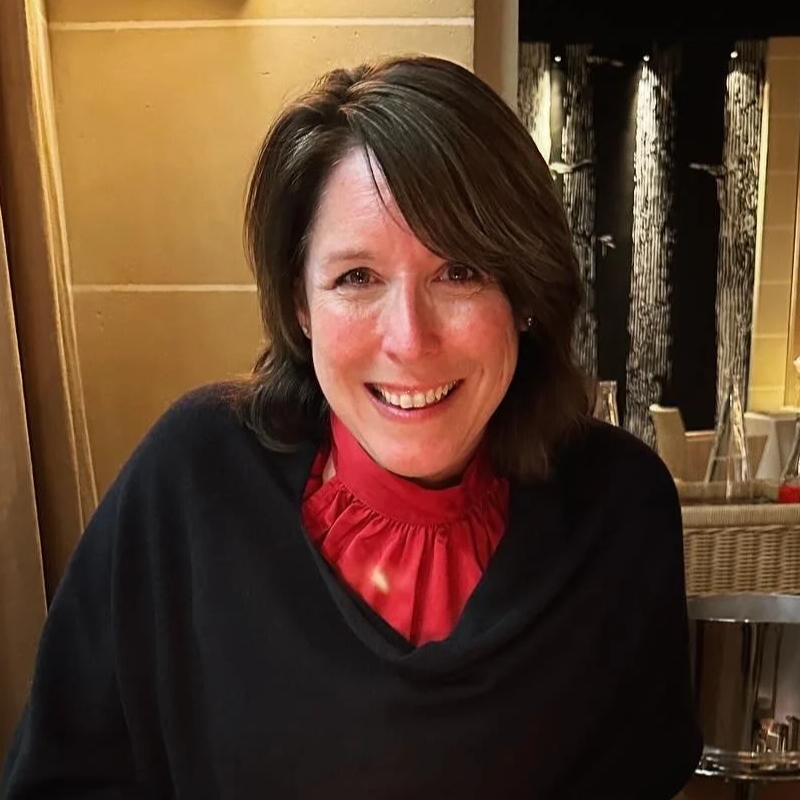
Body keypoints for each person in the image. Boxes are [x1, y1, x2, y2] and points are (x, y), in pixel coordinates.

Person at [1, 55, 702, 799]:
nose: (408, 339)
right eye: (357, 278)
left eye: (459, 271)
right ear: (300, 307)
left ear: (525, 294)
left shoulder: (619, 509)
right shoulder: (191, 480)